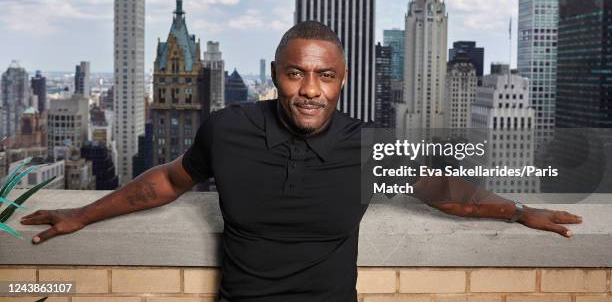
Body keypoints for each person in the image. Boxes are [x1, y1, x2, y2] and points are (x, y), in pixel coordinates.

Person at [20, 21, 582, 301]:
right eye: (297, 73)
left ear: (341, 80)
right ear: (276, 74)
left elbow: (447, 194)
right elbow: (166, 181)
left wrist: (519, 211)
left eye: (325, 75)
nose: (310, 89)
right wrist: (81, 216)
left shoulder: (369, 144)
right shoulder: (229, 129)